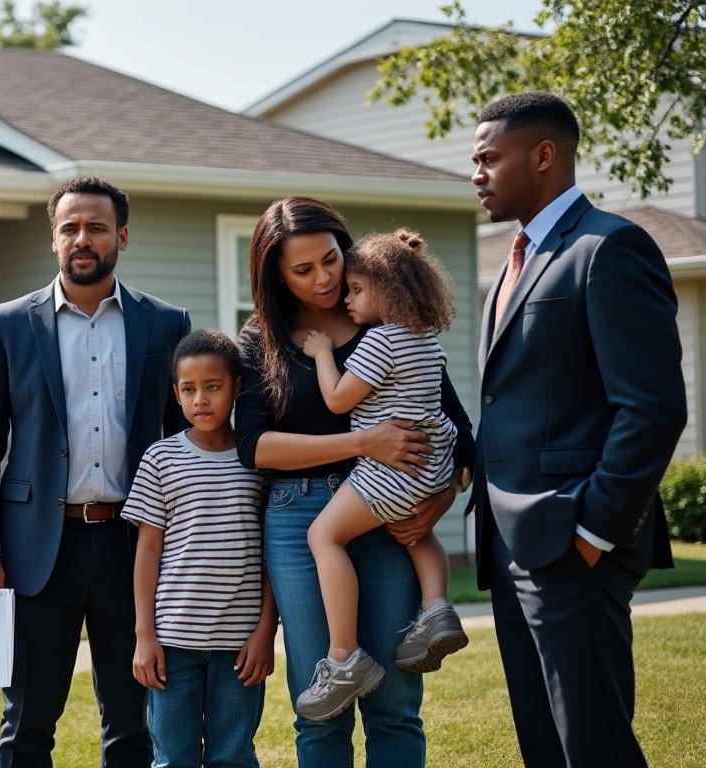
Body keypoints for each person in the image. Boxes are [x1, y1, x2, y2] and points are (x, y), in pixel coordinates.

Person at [469, 92, 684, 767]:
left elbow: (651, 407)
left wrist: (594, 531)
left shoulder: (609, 247)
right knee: (544, 744)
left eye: (488, 159)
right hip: (511, 541)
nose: (476, 174)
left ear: (543, 155)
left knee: (592, 745)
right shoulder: (511, 266)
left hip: (572, 541)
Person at [0, 175, 191, 767]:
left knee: (133, 724)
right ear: (54, 238)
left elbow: (184, 440)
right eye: (70, 228)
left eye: (96, 227)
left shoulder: (166, 324)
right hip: (38, 549)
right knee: (26, 722)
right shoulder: (9, 323)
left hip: (134, 547)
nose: (82, 238)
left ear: (122, 237)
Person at [234, 196, 474, 767]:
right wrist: (362, 443)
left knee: (395, 705)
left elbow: (457, 430)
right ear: (277, 276)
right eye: (303, 269)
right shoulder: (261, 339)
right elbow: (254, 447)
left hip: (387, 515)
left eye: (331, 259)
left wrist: (439, 499)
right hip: (298, 519)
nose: (323, 278)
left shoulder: (388, 322)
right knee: (321, 713)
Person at [293, 230, 466, 722]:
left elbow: (337, 400)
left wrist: (322, 353)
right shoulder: (426, 340)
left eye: (356, 289)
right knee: (417, 534)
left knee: (324, 536)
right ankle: (435, 608)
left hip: (390, 469)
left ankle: (344, 656)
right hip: (430, 466)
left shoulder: (381, 340)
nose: (347, 298)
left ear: (388, 291)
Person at [126, 328, 276, 768]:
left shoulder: (258, 460)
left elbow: (273, 553)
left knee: (234, 757)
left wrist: (266, 630)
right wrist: (144, 635)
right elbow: (147, 553)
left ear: (237, 387)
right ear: (176, 394)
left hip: (241, 646)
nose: (201, 400)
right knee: (174, 758)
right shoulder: (160, 458)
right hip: (172, 643)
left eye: (213, 387)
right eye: (189, 389)